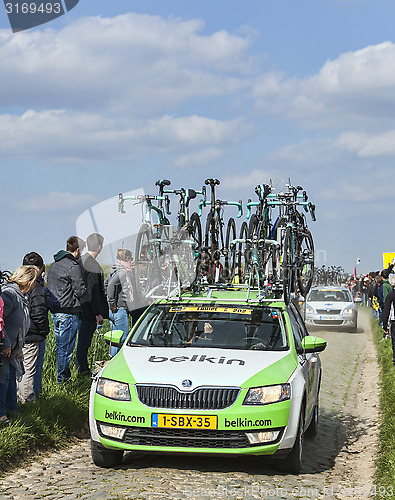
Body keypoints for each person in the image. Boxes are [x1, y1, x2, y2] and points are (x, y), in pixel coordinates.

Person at [17, 252, 60, 402]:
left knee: (18, 370)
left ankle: (17, 401)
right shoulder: (38, 288)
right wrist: (43, 332)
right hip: (32, 335)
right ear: (41, 269)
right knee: (31, 370)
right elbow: (42, 313)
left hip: (17, 335)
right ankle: (29, 401)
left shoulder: (17, 286)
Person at [0, 266, 39, 425]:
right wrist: (6, 344)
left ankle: (13, 413)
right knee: (3, 381)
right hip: (3, 347)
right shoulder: (9, 296)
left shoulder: (22, 297)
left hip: (10, 349)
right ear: (28, 281)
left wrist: (17, 348)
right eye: (35, 281)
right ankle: (2, 416)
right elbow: (0, 321)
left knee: (9, 381)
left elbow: (20, 325)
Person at [47, 236, 87, 383]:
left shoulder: (54, 264)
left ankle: (61, 377)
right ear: (77, 250)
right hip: (69, 312)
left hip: (55, 312)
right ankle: (63, 379)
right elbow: (80, 290)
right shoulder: (73, 265)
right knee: (66, 350)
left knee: (60, 347)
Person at [77, 233, 109, 376]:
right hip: (89, 311)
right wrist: (98, 313)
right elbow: (93, 291)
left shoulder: (80, 261)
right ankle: (83, 371)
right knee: (84, 343)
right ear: (100, 248)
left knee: (79, 344)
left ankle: (80, 369)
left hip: (78, 308)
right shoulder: (93, 266)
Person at [105, 249, 134, 356]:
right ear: (126, 258)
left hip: (112, 311)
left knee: (115, 340)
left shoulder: (113, 270)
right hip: (119, 309)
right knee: (123, 338)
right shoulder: (122, 271)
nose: (131, 261)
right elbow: (111, 285)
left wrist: (107, 303)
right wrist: (112, 303)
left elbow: (106, 284)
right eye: (131, 258)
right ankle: (118, 361)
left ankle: (112, 359)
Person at [382, 274, 395, 359]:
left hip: (394, 321)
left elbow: (386, 310)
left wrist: (385, 325)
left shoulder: (390, 295)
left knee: (394, 342)